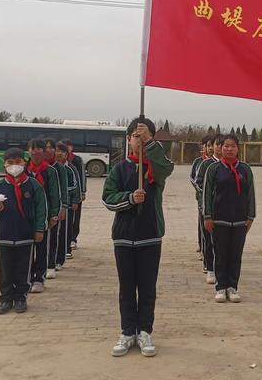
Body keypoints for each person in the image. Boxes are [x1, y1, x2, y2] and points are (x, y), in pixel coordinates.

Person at [102, 118, 174, 358]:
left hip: (150, 237)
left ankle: (144, 331)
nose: (139, 140)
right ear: (128, 140)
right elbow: (107, 198)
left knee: (147, 288)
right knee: (126, 288)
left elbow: (166, 166)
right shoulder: (118, 169)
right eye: (135, 136)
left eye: (144, 137)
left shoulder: (157, 169)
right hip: (123, 238)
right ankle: (127, 331)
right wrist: (131, 198)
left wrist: (149, 142)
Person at [0, 148, 47, 314]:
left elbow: (41, 209)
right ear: (4, 165)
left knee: (23, 268)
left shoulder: (33, 185)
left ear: (24, 162)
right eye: (10, 163)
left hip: (25, 235)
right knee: (6, 268)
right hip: (4, 235)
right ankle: (5, 299)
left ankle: (20, 297)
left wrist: (39, 229)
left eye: (18, 162)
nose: (14, 166)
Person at [203, 134, 256, 303]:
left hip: (240, 220)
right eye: (226, 146)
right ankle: (221, 287)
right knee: (220, 254)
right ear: (221, 148)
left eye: (232, 146)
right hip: (219, 220)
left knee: (235, 254)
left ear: (238, 148)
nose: (229, 149)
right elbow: (206, 194)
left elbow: (251, 195)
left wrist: (250, 216)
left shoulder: (245, 169)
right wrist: (207, 216)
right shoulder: (213, 169)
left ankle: (232, 287)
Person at [25, 138, 60, 293]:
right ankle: (26, 278)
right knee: (26, 249)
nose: (34, 151)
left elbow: (54, 194)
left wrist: (54, 215)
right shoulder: (24, 169)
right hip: (25, 215)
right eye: (31, 148)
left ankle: (39, 278)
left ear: (43, 151)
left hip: (43, 215)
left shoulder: (50, 171)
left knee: (41, 248)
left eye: (38, 148)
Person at [195, 134, 223, 283]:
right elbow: (198, 182)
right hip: (207, 207)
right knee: (208, 238)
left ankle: (221, 268)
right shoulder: (205, 164)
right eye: (215, 145)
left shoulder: (231, 165)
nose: (216, 148)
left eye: (220, 145)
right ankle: (209, 267)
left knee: (222, 240)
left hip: (224, 210)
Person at [44, 138, 68, 279]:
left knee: (53, 236)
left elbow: (63, 189)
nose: (49, 150)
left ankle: (52, 264)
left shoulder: (59, 168)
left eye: (51, 148)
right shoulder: (36, 167)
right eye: (45, 147)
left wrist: (63, 207)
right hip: (40, 208)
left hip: (55, 207)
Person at [55, 142, 80, 270]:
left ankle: (65, 252)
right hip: (54, 206)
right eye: (57, 151)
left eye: (62, 151)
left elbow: (76, 186)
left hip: (68, 204)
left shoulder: (70, 168)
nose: (59, 154)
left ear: (67, 154)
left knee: (66, 228)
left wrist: (76, 200)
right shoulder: (51, 168)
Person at [62, 138, 86, 250]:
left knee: (75, 218)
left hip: (76, 194)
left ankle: (73, 238)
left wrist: (82, 192)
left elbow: (81, 176)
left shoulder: (77, 160)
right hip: (63, 196)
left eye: (68, 146)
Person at [190, 135, 212, 254]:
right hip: (201, 198)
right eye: (207, 145)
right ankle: (202, 247)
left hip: (215, 200)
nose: (210, 148)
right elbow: (193, 178)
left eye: (211, 145)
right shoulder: (198, 162)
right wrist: (202, 190)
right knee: (202, 223)